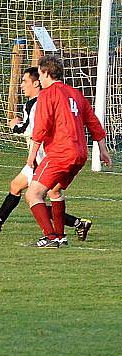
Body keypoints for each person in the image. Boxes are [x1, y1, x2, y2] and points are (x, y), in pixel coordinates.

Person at [0, 67, 92, 243]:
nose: (22, 85)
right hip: (45, 156)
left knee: (36, 196)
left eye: (24, 81)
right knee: (18, 187)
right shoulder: (36, 102)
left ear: (36, 82)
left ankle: (62, 231)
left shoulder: (39, 101)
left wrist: (15, 127)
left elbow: (36, 130)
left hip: (45, 157)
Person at [24, 55, 111, 248]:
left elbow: (42, 125)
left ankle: (50, 237)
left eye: (39, 74)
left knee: (32, 194)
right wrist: (103, 150)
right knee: (55, 190)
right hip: (80, 154)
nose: (39, 79)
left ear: (46, 73)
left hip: (60, 153)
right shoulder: (75, 93)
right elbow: (93, 122)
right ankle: (61, 236)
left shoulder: (47, 94)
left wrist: (32, 153)